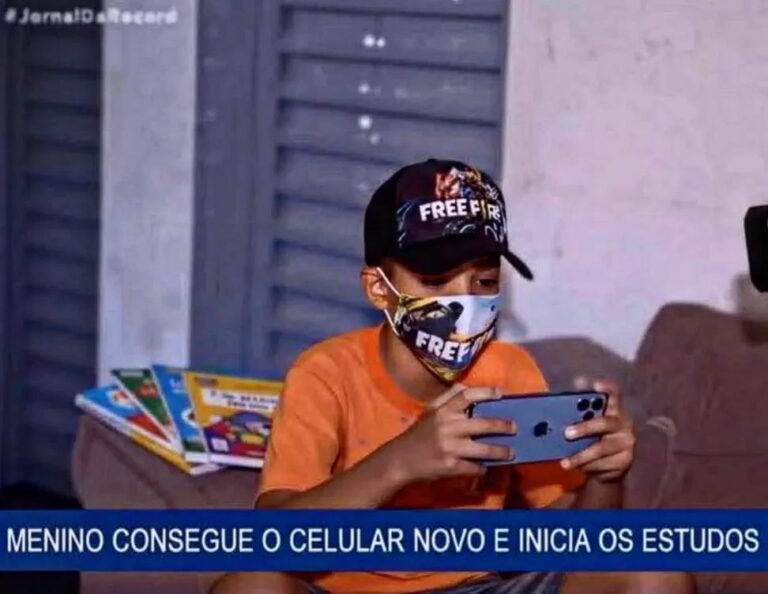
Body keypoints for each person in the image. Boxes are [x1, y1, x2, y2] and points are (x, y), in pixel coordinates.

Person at [211, 160, 693, 594]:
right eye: (436, 281)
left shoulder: (508, 370)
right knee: (249, 586)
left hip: (474, 588)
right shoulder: (324, 374)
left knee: (657, 573)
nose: (464, 302)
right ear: (378, 288)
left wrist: (604, 477)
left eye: (484, 282)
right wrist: (401, 461)